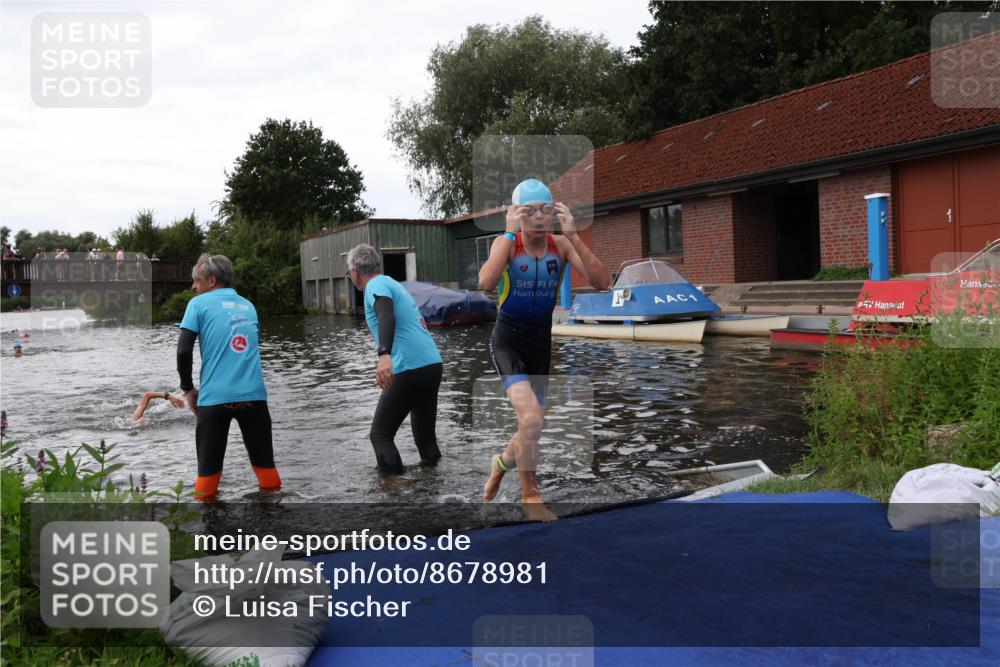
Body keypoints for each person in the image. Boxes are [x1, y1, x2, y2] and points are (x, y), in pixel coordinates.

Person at [478, 178, 610, 521]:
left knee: (532, 426)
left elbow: (602, 282)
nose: (538, 217)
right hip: (508, 341)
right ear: (517, 213)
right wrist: (508, 234)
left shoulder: (562, 245)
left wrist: (576, 236)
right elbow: (485, 283)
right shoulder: (507, 244)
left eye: (545, 210)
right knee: (533, 419)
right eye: (530, 210)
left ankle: (500, 463)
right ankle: (530, 497)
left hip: (540, 345)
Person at [176, 254, 281, 500]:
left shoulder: (198, 304)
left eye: (196, 280)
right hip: (254, 396)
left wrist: (188, 388)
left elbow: (183, 350)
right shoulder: (248, 306)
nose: (193, 286)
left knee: (208, 476)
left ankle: (207, 533)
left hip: (215, 398)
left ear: (211, 280)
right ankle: (274, 527)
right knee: (266, 470)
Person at [347, 243, 444, 474]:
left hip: (409, 367)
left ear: (354, 273)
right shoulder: (392, 282)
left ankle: (392, 495)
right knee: (426, 440)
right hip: (431, 365)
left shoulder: (375, 285)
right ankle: (434, 490)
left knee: (380, 435)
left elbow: (386, 315)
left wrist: (384, 355)